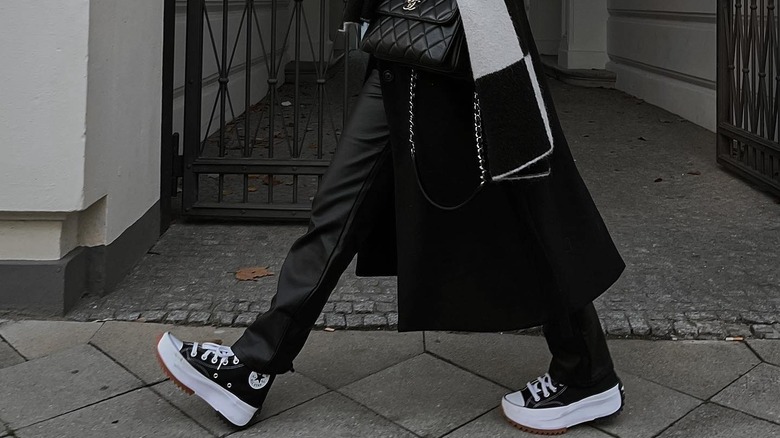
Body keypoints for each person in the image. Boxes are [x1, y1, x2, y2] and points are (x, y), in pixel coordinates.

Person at [156, 0, 626, 434]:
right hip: (409, 41)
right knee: (338, 208)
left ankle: (587, 371)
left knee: (527, 199)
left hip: (472, 42)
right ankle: (254, 363)